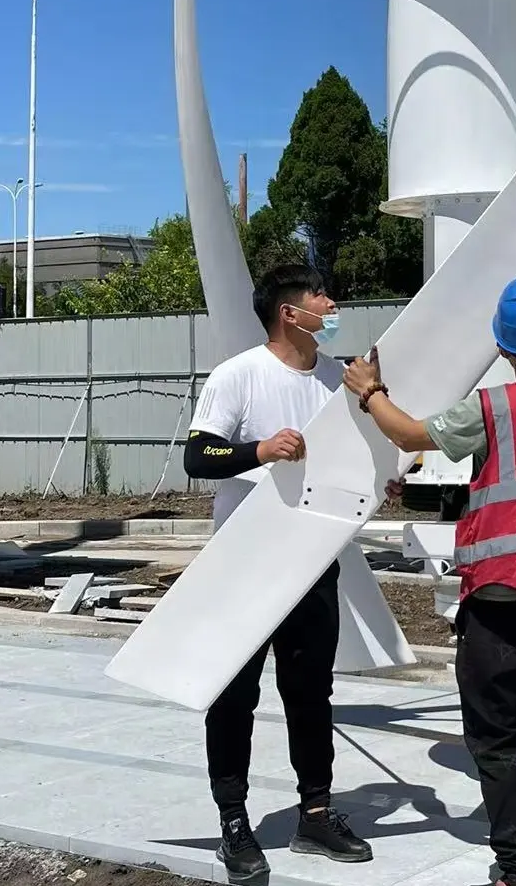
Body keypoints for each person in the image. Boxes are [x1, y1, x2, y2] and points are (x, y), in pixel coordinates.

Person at [342, 271, 516, 886]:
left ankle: (514, 872)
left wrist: (369, 390)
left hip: (496, 606)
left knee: (498, 745)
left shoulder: (490, 408)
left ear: (503, 345)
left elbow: (411, 435)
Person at [183, 262, 373, 883]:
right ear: (290, 312)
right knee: (234, 695)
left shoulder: (337, 378)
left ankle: (315, 811)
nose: (331, 301)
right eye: (320, 295)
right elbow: (198, 455)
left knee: (310, 691)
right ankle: (234, 821)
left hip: (313, 561)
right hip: (244, 563)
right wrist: (258, 451)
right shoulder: (238, 376)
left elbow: (353, 458)